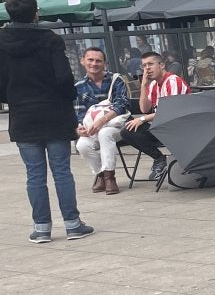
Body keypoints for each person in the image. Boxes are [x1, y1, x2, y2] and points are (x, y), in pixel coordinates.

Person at [0, 0, 93, 243]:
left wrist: (13, 96)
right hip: (54, 112)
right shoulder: (49, 39)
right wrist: (65, 96)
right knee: (62, 171)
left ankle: (42, 228)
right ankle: (72, 224)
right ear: (35, 12)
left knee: (34, 174)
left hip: (23, 115)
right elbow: (64, 77)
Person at [120, 51, 191, 182]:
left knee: (137, 123)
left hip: (179, 129)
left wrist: (142, 119)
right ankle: (159, 159)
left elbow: (171, 111)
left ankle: (166, 162)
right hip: (162, 128)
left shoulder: (173, 81)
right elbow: (144, 108)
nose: (147, 68)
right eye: (144, 65)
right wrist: (143, 86)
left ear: (162, 65)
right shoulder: (153, 85)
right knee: (127, 130)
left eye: (151, 64)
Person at [73, 46, 131, 195]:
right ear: (83, 61)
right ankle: (100, 174)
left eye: (98, 61)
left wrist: (102, 120)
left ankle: (110, 177)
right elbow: (79, 112)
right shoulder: (79, 87)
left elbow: (122, 105)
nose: (94, 63)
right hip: (93, 128)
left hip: (118, 125)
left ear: (104, 63)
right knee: (82, 145)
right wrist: (80, 128)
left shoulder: (115, 79)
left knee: (105, 133)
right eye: (90, 60)